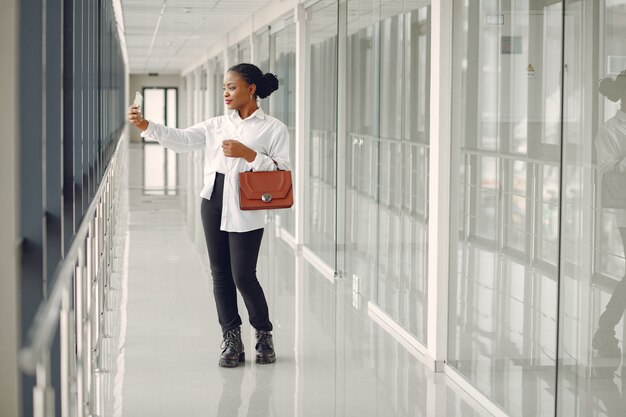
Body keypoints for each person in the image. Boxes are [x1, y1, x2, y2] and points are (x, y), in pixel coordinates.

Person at [127, 63, 289, 368]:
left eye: (231, 87)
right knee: (220, 275)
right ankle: (231, 338)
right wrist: (147, 126)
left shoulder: (274, 128)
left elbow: (282, 172)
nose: (226, 93)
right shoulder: (216, 125)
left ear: (251, 89)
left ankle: (264, 333)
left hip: (247, 205)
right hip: (213, 201)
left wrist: (249, 155)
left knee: (244, 275)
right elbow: (183, 139)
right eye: (224, 88)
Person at [594, 69, 626, 372]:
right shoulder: (610, 130)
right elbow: (605, 170)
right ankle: (605, 327)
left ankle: (606, 327)